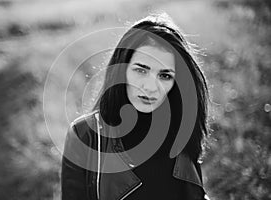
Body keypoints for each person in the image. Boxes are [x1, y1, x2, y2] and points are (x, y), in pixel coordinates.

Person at [61, 13, 210, 200]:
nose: (150, 87)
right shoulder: (84, 135)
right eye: (141, 70)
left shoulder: (182, 129)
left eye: (165, 76)